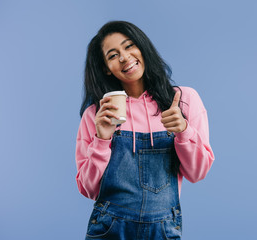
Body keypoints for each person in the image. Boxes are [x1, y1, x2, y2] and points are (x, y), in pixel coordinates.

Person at [75, 20, 214, 239]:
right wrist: (102, 139)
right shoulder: (97, 114)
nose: (124, 57)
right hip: (109, 230)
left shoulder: (183, 100)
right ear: (106, 69)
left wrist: (184, 131)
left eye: (129, 45)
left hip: (162, 230)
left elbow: (197, 173)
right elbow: (89, 189)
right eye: (112, 55)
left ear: (142, 47)